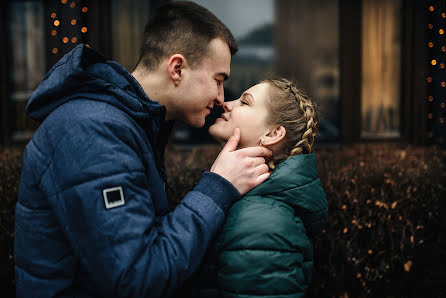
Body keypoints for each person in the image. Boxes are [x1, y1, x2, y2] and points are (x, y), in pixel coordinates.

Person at [14, 2, 271, 297]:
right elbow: (137, 278)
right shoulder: (92, 131)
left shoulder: (131, 124)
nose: (221, 97)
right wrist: (217, 187)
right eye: (218, 80)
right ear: (177, 69)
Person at [176, 78, 328, 298]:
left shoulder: (263, 221)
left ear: (273, 134)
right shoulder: (248, 201)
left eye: (245, 102)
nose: (226, 103)